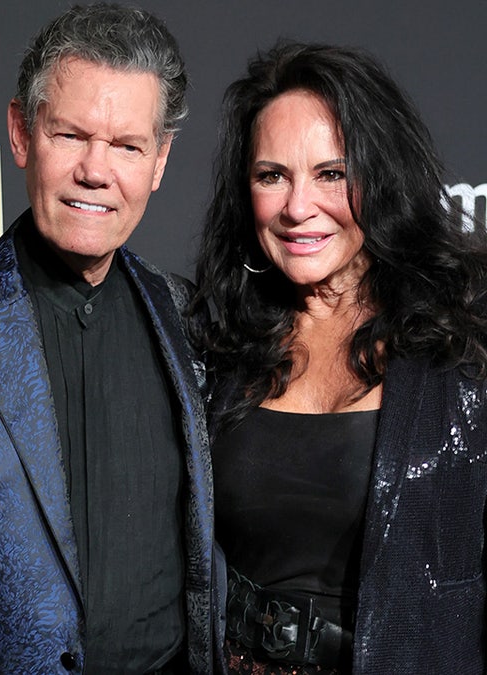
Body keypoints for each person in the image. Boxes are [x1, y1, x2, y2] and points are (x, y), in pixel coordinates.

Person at [0, 4, 222, 673]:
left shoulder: (187, 316)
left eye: (128, 146)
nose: (95, 171)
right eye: (71, 135)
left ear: (159, 160)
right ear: (22, 132)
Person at [189, 42, 487, 674]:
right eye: (272, 175)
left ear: (380, 177)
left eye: (331, 173)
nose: (299, 208)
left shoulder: (463, 346)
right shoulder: (215, 345)